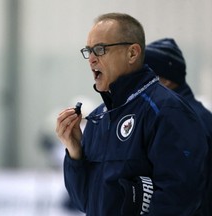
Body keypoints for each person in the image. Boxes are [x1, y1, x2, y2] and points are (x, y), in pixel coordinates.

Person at [55, 12, 208, 216]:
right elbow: (84, 202)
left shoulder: (166, 110)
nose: (91, 59)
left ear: (132, 53)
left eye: (100, 49)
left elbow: (180, 195)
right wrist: (75, 153)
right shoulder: (98, 118)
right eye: (88, 50)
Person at [145, 38, 212, 216]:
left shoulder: (183, 120)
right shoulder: (190, 114)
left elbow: (181, 191)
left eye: (146, 77)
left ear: (166, 81)